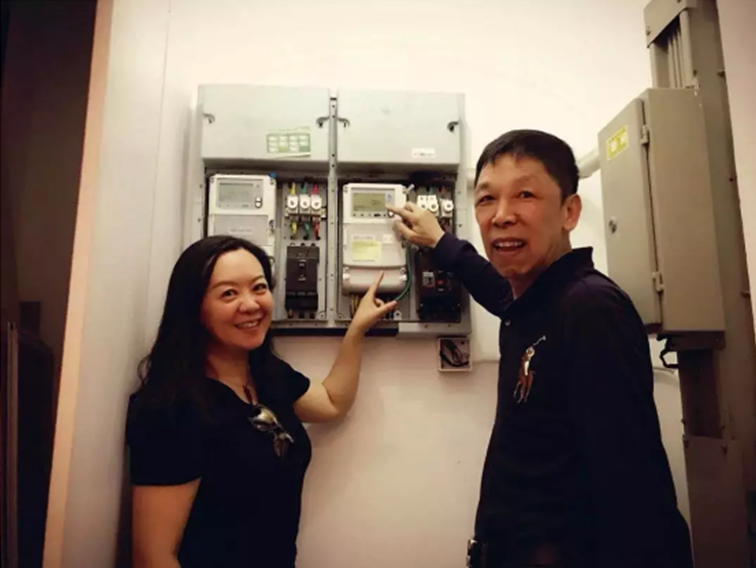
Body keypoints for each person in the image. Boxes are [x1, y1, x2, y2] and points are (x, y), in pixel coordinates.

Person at [389, 130, 693, 568]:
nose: (501, 216)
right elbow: (498, 291)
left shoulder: (590, 308)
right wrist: (441, 242)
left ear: (570, 211)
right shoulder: (537, 302)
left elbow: (631, 488)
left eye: (525, 195)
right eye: (486, 199)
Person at [126, 235, 396, 568]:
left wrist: (356, 330)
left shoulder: (266, 375)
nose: (251, 304)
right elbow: (153, 557)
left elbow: (330, 402)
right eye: (229, 293)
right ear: (194, 307)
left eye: (259, 287)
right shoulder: (170, 410)